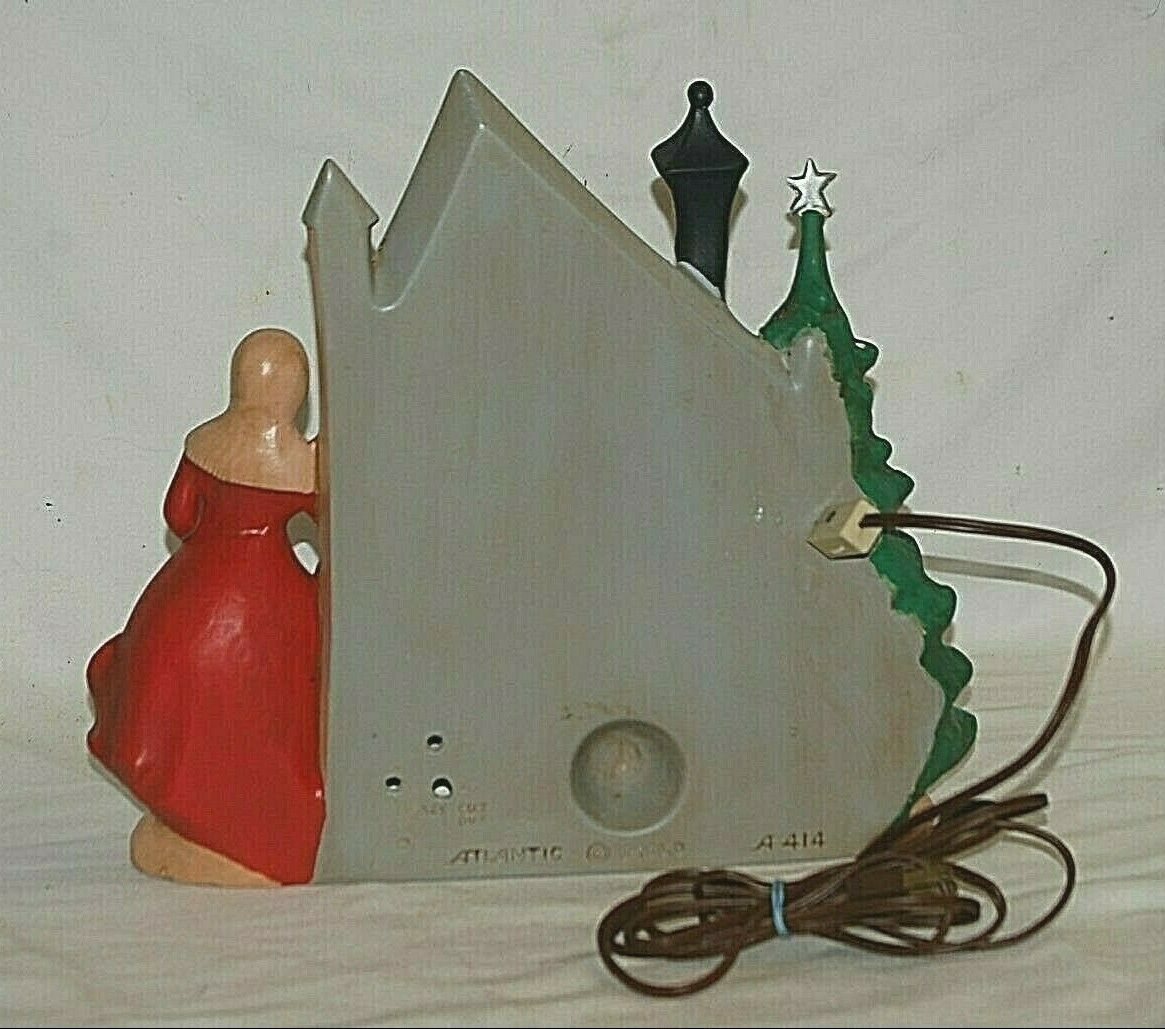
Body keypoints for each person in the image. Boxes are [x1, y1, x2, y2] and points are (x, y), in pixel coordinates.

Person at [87, 328, 324, 885]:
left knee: (178, 709)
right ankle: (248, 835)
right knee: (267, 721)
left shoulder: (204, 441)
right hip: (270, 610)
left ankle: (207, 828)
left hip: (192, 599)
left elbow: (180, 516)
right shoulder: (303, 463)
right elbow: (336, 530)